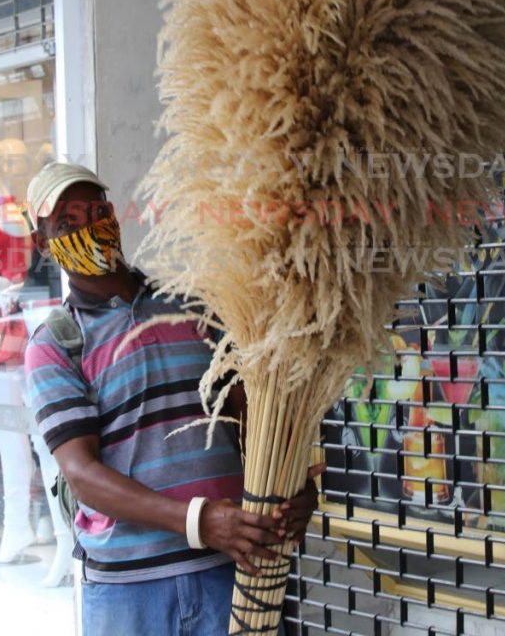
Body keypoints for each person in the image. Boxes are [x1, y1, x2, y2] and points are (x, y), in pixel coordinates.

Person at [23, 161, 321, 635]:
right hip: (128, 593)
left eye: (98, 211)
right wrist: (199, 521)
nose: (90, 228)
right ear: (42, 243)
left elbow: (257, 416)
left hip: (231, 574)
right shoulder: (57, 343)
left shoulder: (196, 307)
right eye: (67, 224)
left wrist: (293, 489)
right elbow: (83, 475)